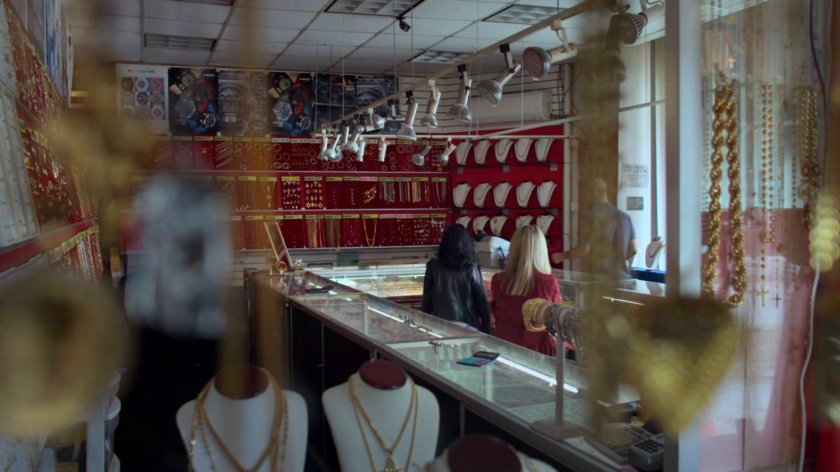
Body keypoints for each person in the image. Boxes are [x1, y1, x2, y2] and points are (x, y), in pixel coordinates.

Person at [490, 225, 561, 356]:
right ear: (541, 250)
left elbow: (495, 312)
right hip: (537, 353)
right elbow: (556, 323)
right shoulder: (548, 283)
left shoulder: (498, 280)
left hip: (504, 349)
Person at [551, 178, 637, 279]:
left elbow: (584, 249)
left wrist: (561, 256)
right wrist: (618, 261)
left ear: (594, 193)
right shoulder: (625, 217)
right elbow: (634, 249)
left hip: (601, 281)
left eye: (587, 193)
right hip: (623, 278)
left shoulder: (591, 216)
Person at [421, 224, 492, 333]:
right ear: (467, 244)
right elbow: (482, 303)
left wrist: (424, 326)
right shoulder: (471, 268)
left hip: (440, 326)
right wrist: (487, 331)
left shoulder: (433, 266)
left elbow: (426, 302)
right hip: (468, 326)